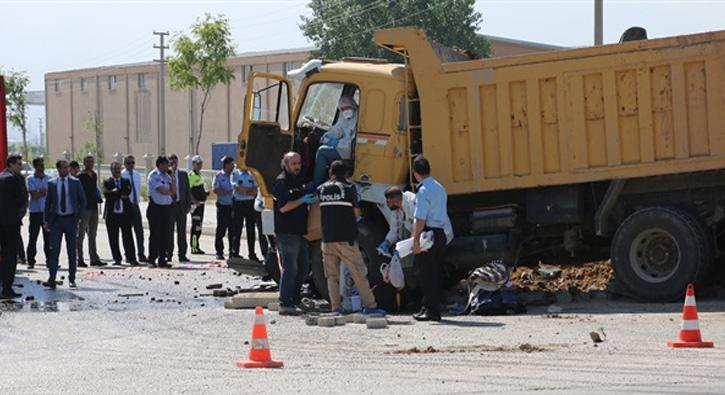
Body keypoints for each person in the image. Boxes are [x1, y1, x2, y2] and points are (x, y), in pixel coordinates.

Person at [317, 160, 385, 316]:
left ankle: (335, 308)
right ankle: (370, 306)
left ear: (330, 173)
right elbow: (355, 213)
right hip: (345, 238)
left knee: (331, 276)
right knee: (359, 273)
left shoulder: (320, 189)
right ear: (346, 174)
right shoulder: (349, 188)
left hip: (327, 240)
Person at [273, 152, 317, 315]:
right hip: (287, 231)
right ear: (286, 165)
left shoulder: (298, 180)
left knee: (303, 267)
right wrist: (302, 200)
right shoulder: (281, 182)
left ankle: (295, 298)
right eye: (294, 164)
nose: (297, 166)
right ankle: (285, 302)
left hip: (299, 231)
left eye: (298, 163)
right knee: (291, 267)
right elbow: (283, 207)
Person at [410, 155, 450, 322]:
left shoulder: (423, 190)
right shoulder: (439, 187)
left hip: (428, 235)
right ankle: (428, 307)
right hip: (440, 234)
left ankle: (432, 311)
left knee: (425, 275)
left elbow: (420, 218)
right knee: (434, 273)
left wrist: (415, 239)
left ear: (414, 173)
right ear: (429, 170)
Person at [44, 159, 86, 289]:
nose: (66, 169)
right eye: (63, 167)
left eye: (67, 167)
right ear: (58, 169)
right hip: (56, 220)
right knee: (54, 250)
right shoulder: (52, 183)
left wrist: (78, 218)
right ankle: (52, 278)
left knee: (72, 250)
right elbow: (48, 203)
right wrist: (46, 220)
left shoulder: (75, 182)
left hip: (70, 220)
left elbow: (82, 201)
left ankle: (72, 278)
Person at [378, 186, 453, 257]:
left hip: (440, 232)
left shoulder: (413, 202)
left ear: (396, 202)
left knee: (425, 261)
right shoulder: (396, 209)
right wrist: (387, 242)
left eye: (388, 202)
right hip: (425, 235)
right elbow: (395, 229)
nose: (386, 204)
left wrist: (406, 246)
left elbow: (417, 225)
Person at [312, 96, 358, 186]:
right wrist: (327, 136)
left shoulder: (359, 118)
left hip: (349, 150)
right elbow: (337, 129)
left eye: (348, 107)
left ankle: (316, 184)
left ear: (353, 106)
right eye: (343, 108)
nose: (345, 110)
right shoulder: (343, 116)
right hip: (343, 147)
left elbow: (352, 141)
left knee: (322, 151)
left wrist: (337, 143)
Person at [0, 154, 27, 299]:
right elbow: (22, 198)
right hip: (11, 223)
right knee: (10, 256)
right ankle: (7, 288)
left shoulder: (1, 176)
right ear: (10, 164)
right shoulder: (14, 179)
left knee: (4, 254)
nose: (20, 166)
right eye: (18, 164)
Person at [102, 161, 137, 266]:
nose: (117, 170)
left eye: (118, 168)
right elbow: (107, 195)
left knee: (128, 237)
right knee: (113, 238)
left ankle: (131, 258)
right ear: (111, 170)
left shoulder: (126, 180)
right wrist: (119, 193)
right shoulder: (107, 182)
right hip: (112, 215)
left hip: (125, 214)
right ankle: (117, 258)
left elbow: (127, 192)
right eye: (114, 169)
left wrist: (115, 192)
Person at [147, 156, 175, 268]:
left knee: (165, 235)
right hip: (155, 208)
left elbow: (173, 191)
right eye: (166, 164)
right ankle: (152, 259)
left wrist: (173, 177)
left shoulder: (167, 176)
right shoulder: (154, 175)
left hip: (166, 209)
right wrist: (170, 193)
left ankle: (162, 259)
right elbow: (161, 190)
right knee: (155, 234)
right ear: (160, 165)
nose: (168, 166)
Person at [77, 154, 103, 267]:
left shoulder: (94, 175)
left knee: (93, 234)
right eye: (88, 162)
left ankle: (94, 258)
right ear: (84, 163)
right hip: (84, 208)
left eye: (92, 162)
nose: (90, 164)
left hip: (93, 207)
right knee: (81, 234)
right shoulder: (80, 176)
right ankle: (80, 259)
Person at [121, 155, 147, 262]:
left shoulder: (137, 175)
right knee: (127, 233)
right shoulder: (122, 175)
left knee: (139, 232)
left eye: (133, 163)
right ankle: (128, 254)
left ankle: (141, 253)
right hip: (126, 206)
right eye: (128, 163)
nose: (131, 165)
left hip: (136, 205)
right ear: (125, 164)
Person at [26, 157, 50, 270]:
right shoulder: (30, 179)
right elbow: (33, 195)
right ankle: (31, 260)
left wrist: (39, 191)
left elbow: (49, 194)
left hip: (46, 212)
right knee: (33, 237)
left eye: (43, 165)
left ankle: (50, 260)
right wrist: (42, 192)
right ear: (35, 166)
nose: (42, 167)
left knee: (48, 238)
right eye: (40, 165)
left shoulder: (49, 179)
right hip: (35, 212)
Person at [167, 154, 192, 262]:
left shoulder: (183, 174)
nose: (174, 164)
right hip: (170, 206)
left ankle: (182, 254)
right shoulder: (166, 175)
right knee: (169, 231)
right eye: (171, 162)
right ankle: (169, 254)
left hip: (180, 206)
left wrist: (188, 206)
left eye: (175, 162)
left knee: (182, 232)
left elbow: (187, 191)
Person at [231, 166, 259, 261]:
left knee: (251, 230)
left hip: (250, 204)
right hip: (238, 204)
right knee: (237, 228)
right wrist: (248, 191)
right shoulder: (235, 173)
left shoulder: (252, 174)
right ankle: (235, 252)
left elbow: (255, 191)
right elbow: (238, 188)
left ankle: (252, 253)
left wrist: (245, 192)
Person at [212, 156, 235, 260]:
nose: (233, 166)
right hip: (223, 206)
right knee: (221, 230)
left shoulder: (234, 176)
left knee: (233, 230)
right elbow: (215, 190)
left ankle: (232, 252)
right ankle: (219, 251)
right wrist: (227, 193)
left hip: (233, 207)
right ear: (226, 165)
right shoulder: (219, 176)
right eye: (231, 164)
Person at [188, 155, 209, 255]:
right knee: (196, 226)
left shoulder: (199, 175)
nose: (200, 165)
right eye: (198, 163)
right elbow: (189, 190)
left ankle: (197, 246)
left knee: (199, 226)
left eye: (201, 163)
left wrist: (205, 193)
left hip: (201, 204)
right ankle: (194, 247)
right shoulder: (192, 175)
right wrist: (194, 201)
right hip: (195, 206)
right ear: (193, 164)